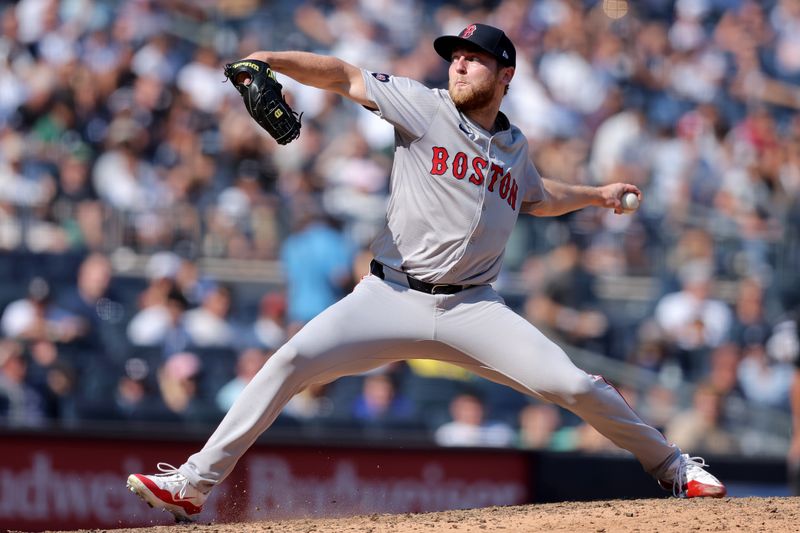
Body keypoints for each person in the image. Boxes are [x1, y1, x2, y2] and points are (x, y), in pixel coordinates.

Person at [127, 23, 726, 521]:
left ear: (506, 75)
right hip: (389, 295)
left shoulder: (514, 147)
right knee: (289, 362)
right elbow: (342, 74)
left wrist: (595, 195)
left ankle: (676, 468)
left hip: (473, 308)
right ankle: (193, 483)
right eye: (455, 58)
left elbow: (539, 197)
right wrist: (266, 59)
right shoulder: (423, 105)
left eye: (473, 59)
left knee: (573, 386)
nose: (459, 67)